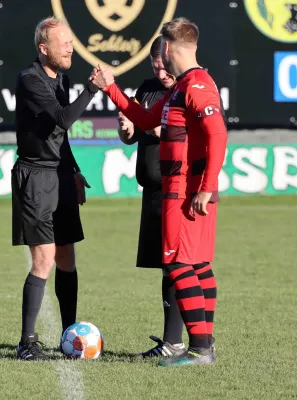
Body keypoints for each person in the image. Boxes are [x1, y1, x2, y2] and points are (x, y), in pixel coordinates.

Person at [94, 17, 226, 366]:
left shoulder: (197, 86)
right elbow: (144, 117)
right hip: (185, 189)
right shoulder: (180, 88)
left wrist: (206, 186)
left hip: (184, 191)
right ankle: (205, 346)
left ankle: (198, 349)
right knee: (196, 264)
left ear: (168, 49)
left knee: (178, 263)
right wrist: (111, 88)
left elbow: (217, 134)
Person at [11, 17, 108, 361]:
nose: (70, 47)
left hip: (62, 175)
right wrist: (93, 89)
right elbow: (64, 119)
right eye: (63, 42)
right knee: (44, 259)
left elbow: (60, 137)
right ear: (43, 49)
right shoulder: (30, 80)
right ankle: (27, 342)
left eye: (70, 41)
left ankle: (70, 334)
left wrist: (76, 170)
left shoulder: (62, 79)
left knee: (67, 257)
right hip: (36, 177)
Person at [117, 35, 186, 359]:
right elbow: (130, 137)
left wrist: (147, 122)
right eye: (155, 67)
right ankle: (172, 340)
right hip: (152, 192)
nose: (160, 73)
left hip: (176, 191)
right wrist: (127, 127)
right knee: (165, 266)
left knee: (178, 265)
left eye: (163, 66)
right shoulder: (147, 89)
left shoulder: (186, 89)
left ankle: (181, 340)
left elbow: (175, 132)